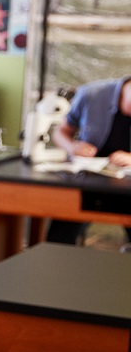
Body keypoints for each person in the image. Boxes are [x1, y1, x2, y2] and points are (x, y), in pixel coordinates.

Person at [47, 76, 131, 245]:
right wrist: (72, 147)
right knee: (59, 238)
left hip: (127, 185)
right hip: (86, 179)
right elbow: (60, 132)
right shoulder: (91, 94)